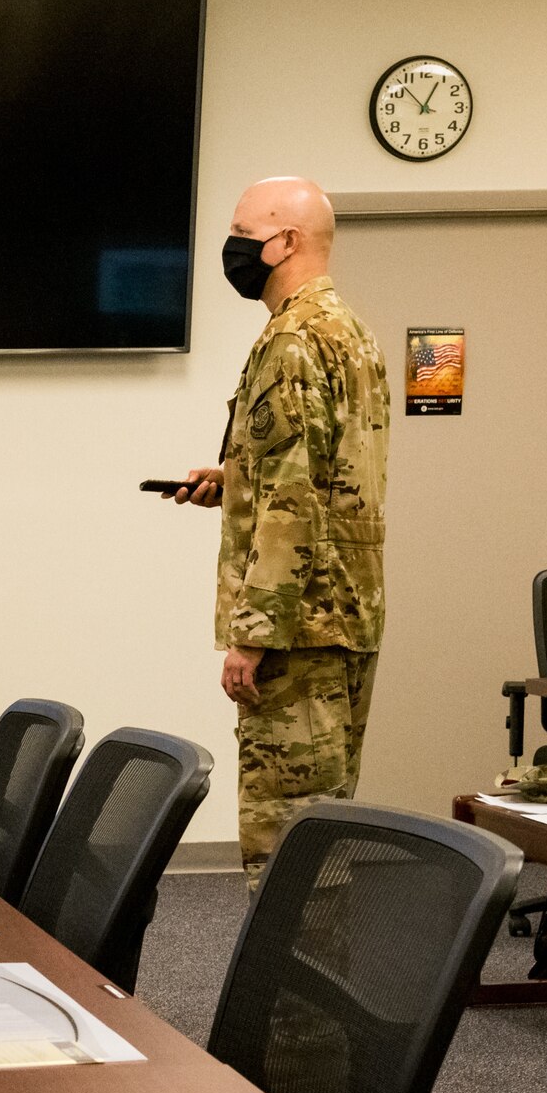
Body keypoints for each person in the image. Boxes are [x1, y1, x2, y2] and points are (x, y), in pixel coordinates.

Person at [166, 177, 389, 887]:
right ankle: (312, 997)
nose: (233, 246)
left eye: (242, 230)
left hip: (297, 631)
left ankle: (297, 1003)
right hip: (344, 616)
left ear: (284, 241)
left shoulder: (292, 341)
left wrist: (252, 634)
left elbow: (296, 499)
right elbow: (329, 475)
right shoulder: (348, 330)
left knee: (290, 854)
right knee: (320, 831)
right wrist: (235, 479)